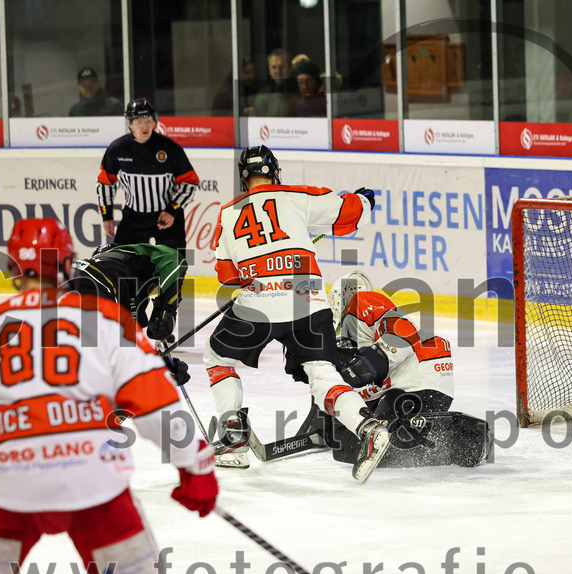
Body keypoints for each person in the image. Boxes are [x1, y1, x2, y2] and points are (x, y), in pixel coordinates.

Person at [0, 218, 217, 574]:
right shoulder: (107, 320)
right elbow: (155, 405)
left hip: (3, 487)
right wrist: (195, 466)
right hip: (94, 485)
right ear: (67, 263)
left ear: (14, 268)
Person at [204, 145, 388, 480]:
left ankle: (232, 441)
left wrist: (255, 266)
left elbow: (226, 274)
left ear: (244, 179)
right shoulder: (295, 194)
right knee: (323, 375)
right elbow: (346, 210)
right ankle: (369, 428)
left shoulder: (229, 212)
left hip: (258, 303)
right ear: (274, 172)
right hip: (307, 300)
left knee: (217, 359)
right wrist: (364, 199)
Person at [329, 270, 454, 420]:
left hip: (414, 386)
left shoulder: (360, 302)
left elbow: (403, 333)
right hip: (430, 391)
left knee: (378, 431)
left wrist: (367, 365)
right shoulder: (356, 332)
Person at [68, 242, 190, 385]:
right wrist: (166, 310)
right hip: (94, 290)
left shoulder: (113, 275)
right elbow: (174, 260)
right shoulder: (130, 256)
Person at [96, 98, 199, 255]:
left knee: (177, 266)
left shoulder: (170, 148)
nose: (144, 126)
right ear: (130, 124)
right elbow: (105, 183)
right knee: (121, 264)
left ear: (154, 121)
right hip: (133, 218)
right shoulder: (118, 149)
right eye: (138, 122)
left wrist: (172, 210)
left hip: (167, 217)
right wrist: (107, 215)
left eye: (147, 120)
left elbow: (190, 182)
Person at [252, 49, 296, 117]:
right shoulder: (263, 95)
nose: (278, 71)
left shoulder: (299, 91)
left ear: (290, 68)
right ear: (269, 70)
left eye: (282, 67)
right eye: (274, 67)